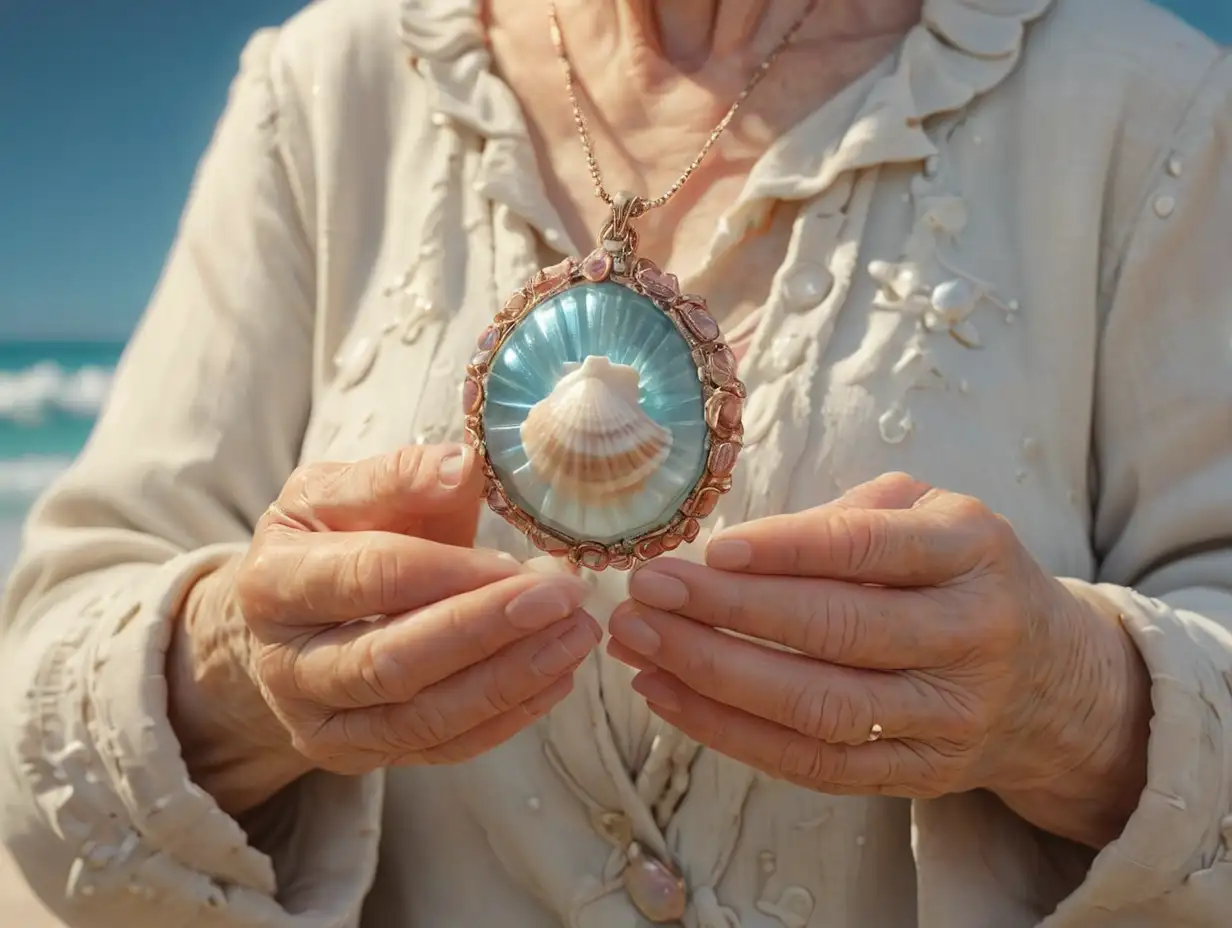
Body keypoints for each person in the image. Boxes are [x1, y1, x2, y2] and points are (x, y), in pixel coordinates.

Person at [2, 0, 1230, 924]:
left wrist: (1080, 704)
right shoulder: (328, 91)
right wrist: (234, 669)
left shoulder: (1147, 108)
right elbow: (39, 684)